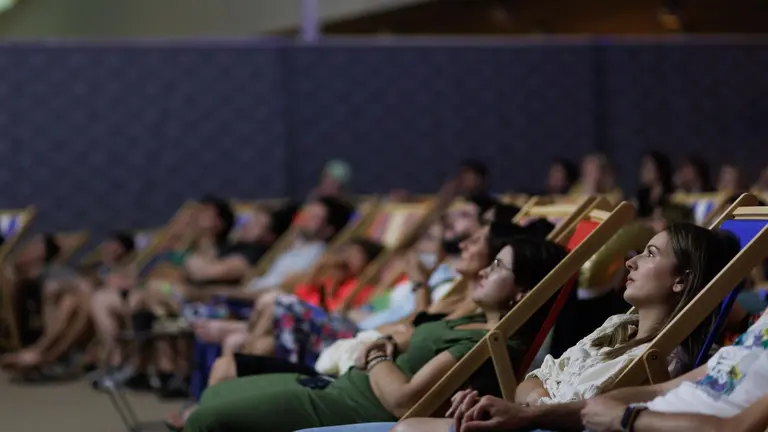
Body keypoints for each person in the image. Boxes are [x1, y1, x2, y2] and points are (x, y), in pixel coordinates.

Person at [302, 222, 741, 432]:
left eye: (648, 254)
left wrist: (528, 408)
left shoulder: (660, 363)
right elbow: (529, 383)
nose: (630, 260)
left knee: (408, 428)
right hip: (526, 422)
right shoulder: (617, 326)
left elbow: (588, 412)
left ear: (682, 279)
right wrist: (526, 404)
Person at [182, 236, 568, 432]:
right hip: (341, 387)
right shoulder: (469, 319)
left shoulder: (490, 341)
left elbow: (403, 400)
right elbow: (397, 342)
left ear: (523, 291)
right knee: (218, 392)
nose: (484, 270)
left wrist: (377, 355)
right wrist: (381, 351)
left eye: (497, 266)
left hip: (352, 405)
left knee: (208, 419)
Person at [634, 151, 674, 218]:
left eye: (646, 166)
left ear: (659, 170)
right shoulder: (641, 196)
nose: (642, 171)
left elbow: (659, 223)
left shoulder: (669, 197)